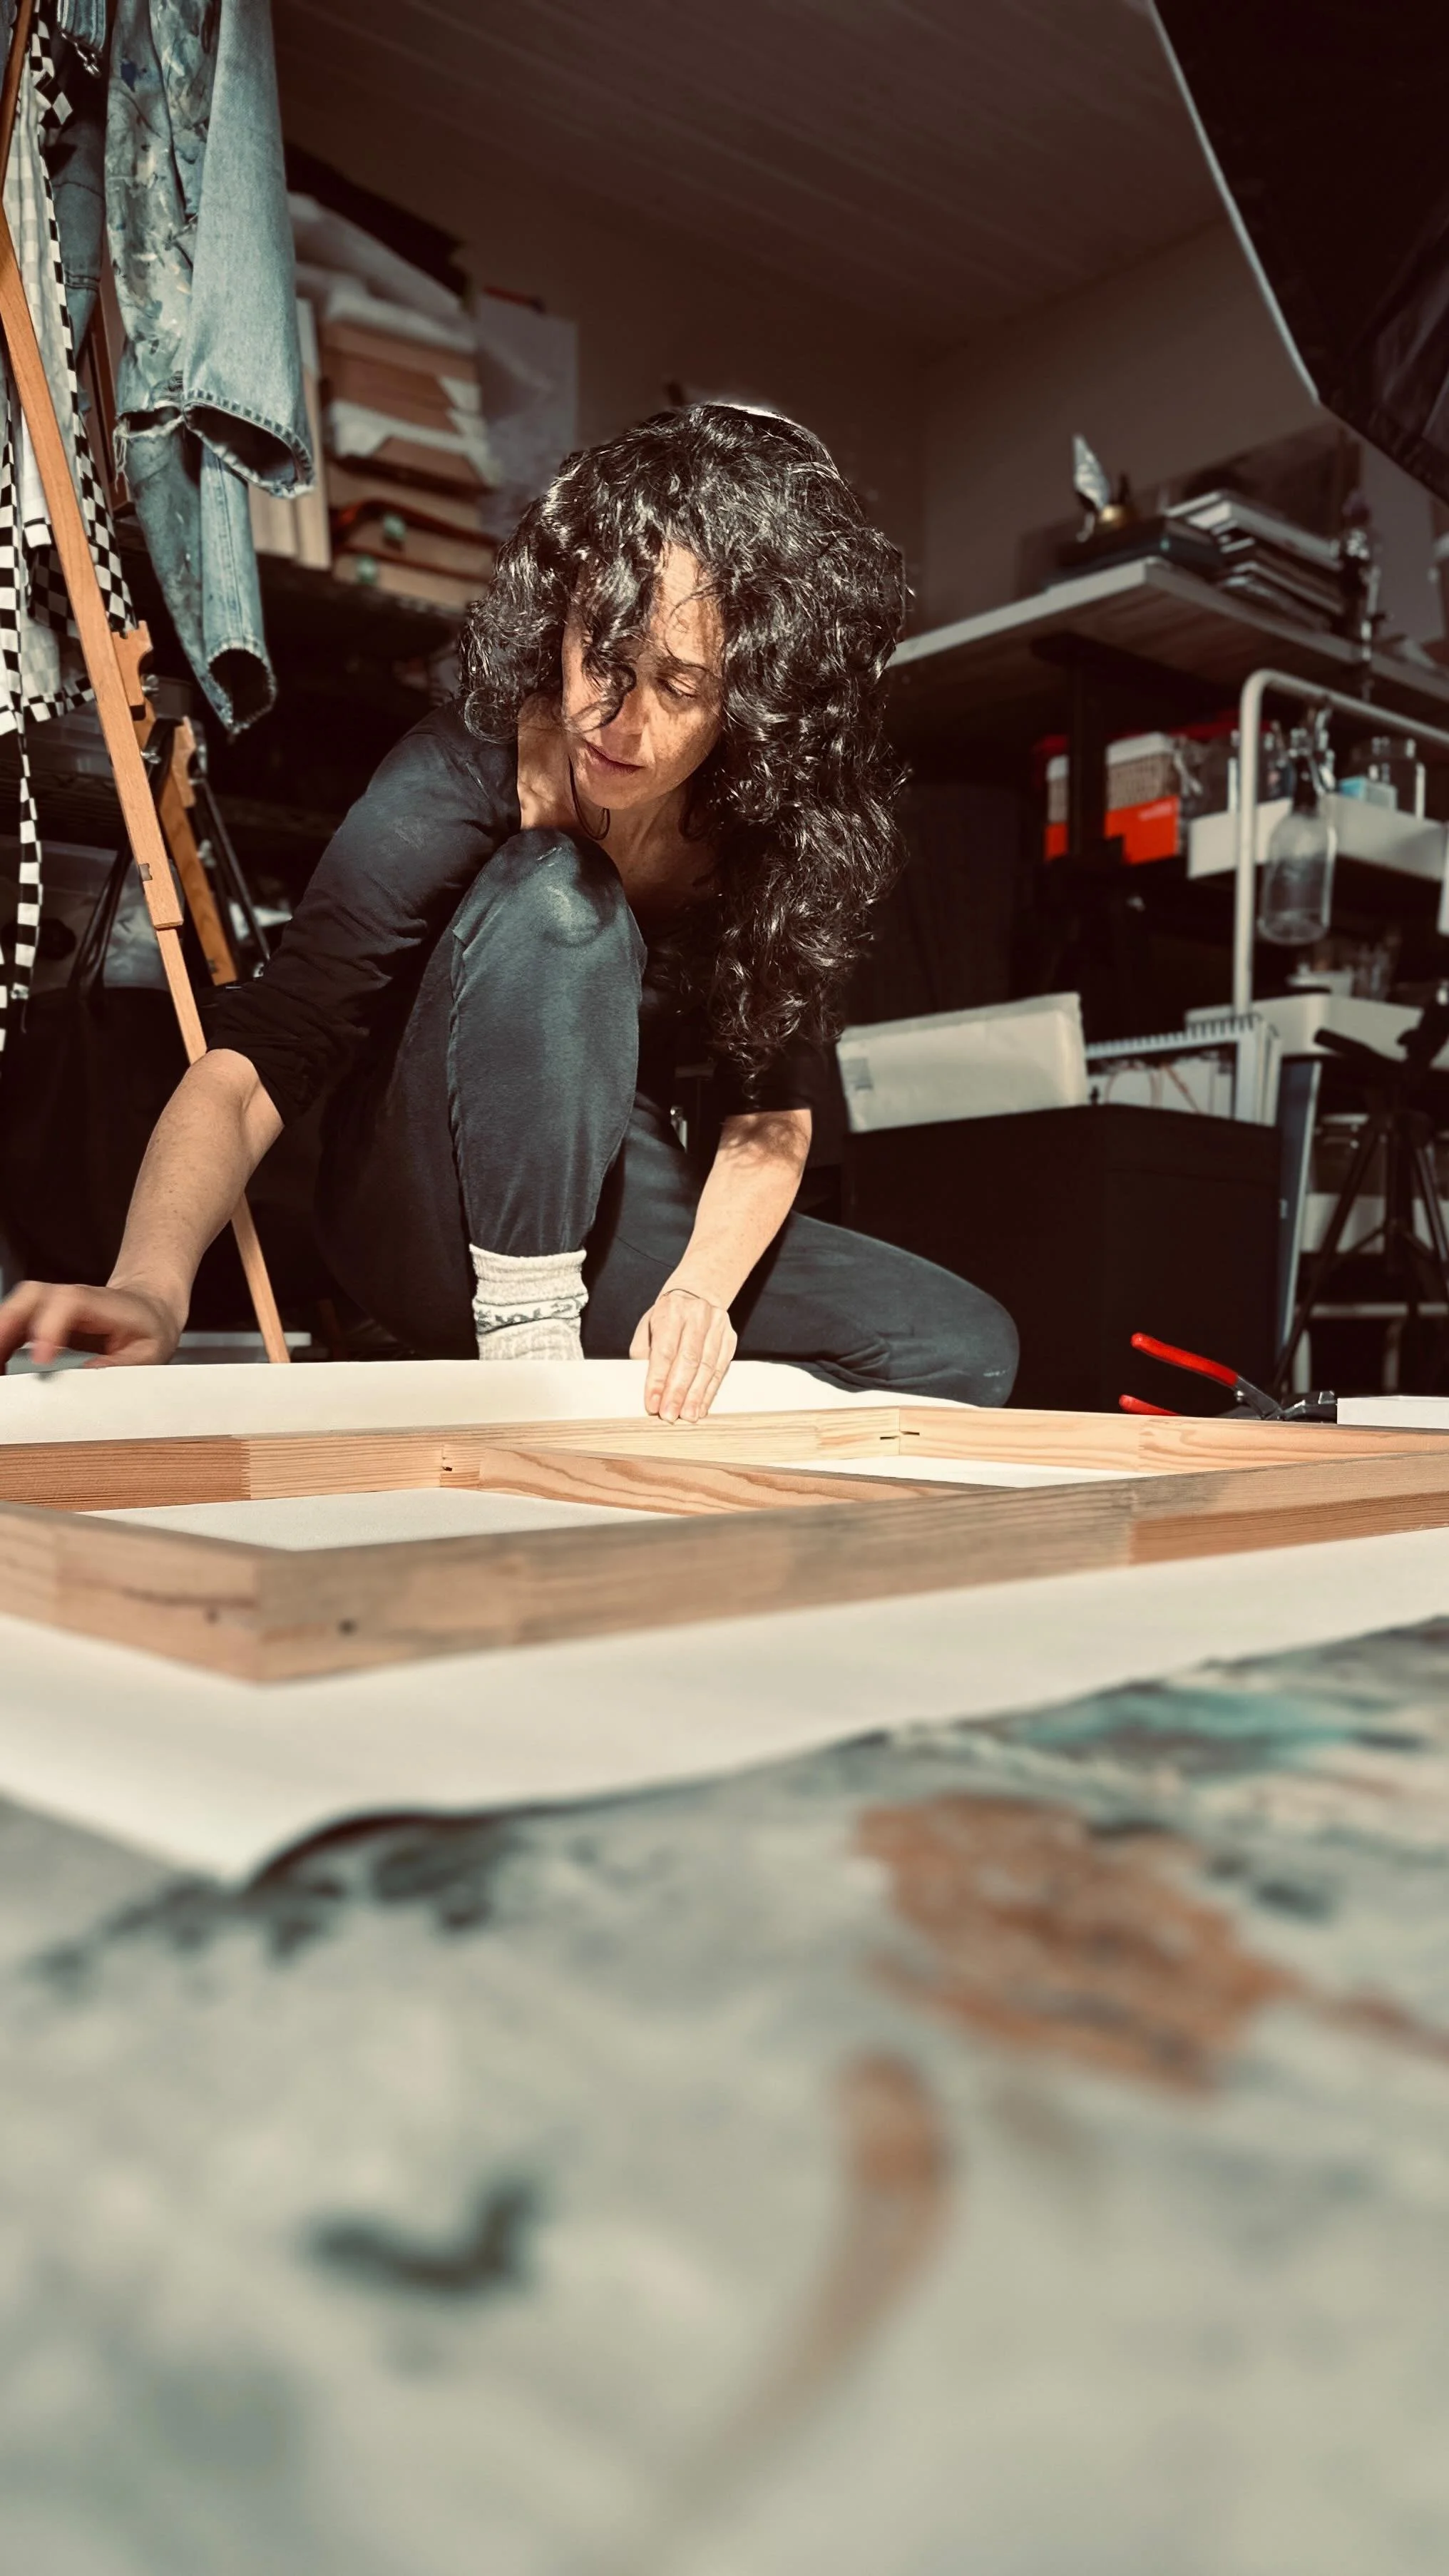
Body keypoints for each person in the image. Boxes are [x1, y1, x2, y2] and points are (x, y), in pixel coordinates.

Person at [0, 405, 1018, 1421]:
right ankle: (531, 1364)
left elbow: (770, 1115)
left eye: (679, 685)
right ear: (562, 614)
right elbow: (265, 1052)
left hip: (607, 1210)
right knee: (561, 892)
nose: (618, 721)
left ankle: (624, 1416)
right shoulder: (459, 770)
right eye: (603, 653)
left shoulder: (766, 836)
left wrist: (701, 1295)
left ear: (752, 699)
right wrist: (150, 1285)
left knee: (960, 1349)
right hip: (420, 1209)